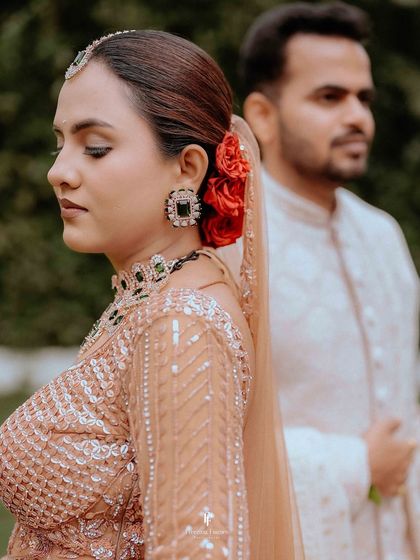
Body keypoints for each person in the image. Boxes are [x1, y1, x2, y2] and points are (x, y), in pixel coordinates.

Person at [0, 30, 303, 560]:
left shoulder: (181, 323)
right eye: (59, 143)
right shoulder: (153, 299)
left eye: (95, 148)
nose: (58, 172)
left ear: (187, 168)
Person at [239, 2, 420, 560]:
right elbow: (202, 442)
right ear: (263, 116)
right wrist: (356, 466)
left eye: (363, 98)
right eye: (329, 97)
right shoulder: (229, 249)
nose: (358, 117)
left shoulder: (382, 234)